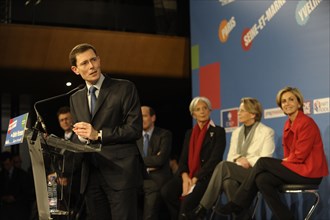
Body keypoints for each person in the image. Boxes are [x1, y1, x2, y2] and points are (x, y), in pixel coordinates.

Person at [219, 87, 329, 220]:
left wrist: (285, 161)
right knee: (262, 179)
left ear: (299, 103)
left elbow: (299, 156)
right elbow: (289, 154)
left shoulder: (306, 123)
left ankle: (238, 203)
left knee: (263, 162)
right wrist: (286, 160)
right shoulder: (288, 124)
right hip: (296, 169)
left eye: (291, 100)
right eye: (283, 101)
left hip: (309, 173)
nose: (287, 103)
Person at [68, 43, 142, 220]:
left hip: (120, 172)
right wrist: (81, 139)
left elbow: (134, 129)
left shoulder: (124, 88)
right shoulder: (75, 98)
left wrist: (98, 135)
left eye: (93, 59)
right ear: (75, 69)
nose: (92, 66)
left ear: (99, 60)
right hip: (91, 175)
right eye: (84, 63)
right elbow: (81, 136)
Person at [187, 97, 275, 220]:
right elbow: (230, 157)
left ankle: (202, 207)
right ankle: (245, 217)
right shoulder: (236, 132)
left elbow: (266, 158)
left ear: (253, 114)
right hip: (237, 171)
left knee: (223, 166)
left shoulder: (267, 132)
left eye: (242, 111)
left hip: (255, 173)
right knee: (228, 182)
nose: (238, 113)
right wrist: (239, 158)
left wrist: (248, 161)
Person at [160, 96, 226, 220]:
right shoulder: (189, 133)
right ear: (193, 114)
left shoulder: (218, 131)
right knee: (167, 192)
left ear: (210, 111)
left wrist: (195, 178)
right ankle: (187, 215)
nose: (202, 111)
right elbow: (183, 159)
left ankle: (187, 215)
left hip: (206, 177)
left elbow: (215, 160)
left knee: (187, 202)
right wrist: (185, 178)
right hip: (189, 175)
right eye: (198, 109)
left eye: (205, 108)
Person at [137, 106, 173, 220]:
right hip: (137, 178)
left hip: (158, 179)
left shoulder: (164, 134)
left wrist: (139, 161)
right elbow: (130, 160)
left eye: (144, 116)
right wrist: (150, 161)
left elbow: (160, 159)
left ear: (153, 118)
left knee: (153, 188)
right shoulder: (134, 137)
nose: (141, 119)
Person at [56, 106, 84, 218]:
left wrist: (64, 176)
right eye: (61, 120)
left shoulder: (79, 138)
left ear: (72, 119)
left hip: (74, 184)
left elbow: (77, 162)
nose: (65, 122)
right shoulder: (58, 140)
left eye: (67, 118)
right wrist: (57, 175)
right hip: (59, 184)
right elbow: (55, 161)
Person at [0, 151, 32, 220]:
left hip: (19, 210)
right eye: (4, 165)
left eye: (7, 164)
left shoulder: (22, 175)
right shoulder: (2, 174)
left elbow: (28, 192)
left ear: (12, 162)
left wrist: (15, 198)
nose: (6, 167)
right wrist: (4, 197)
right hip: (6, 211)